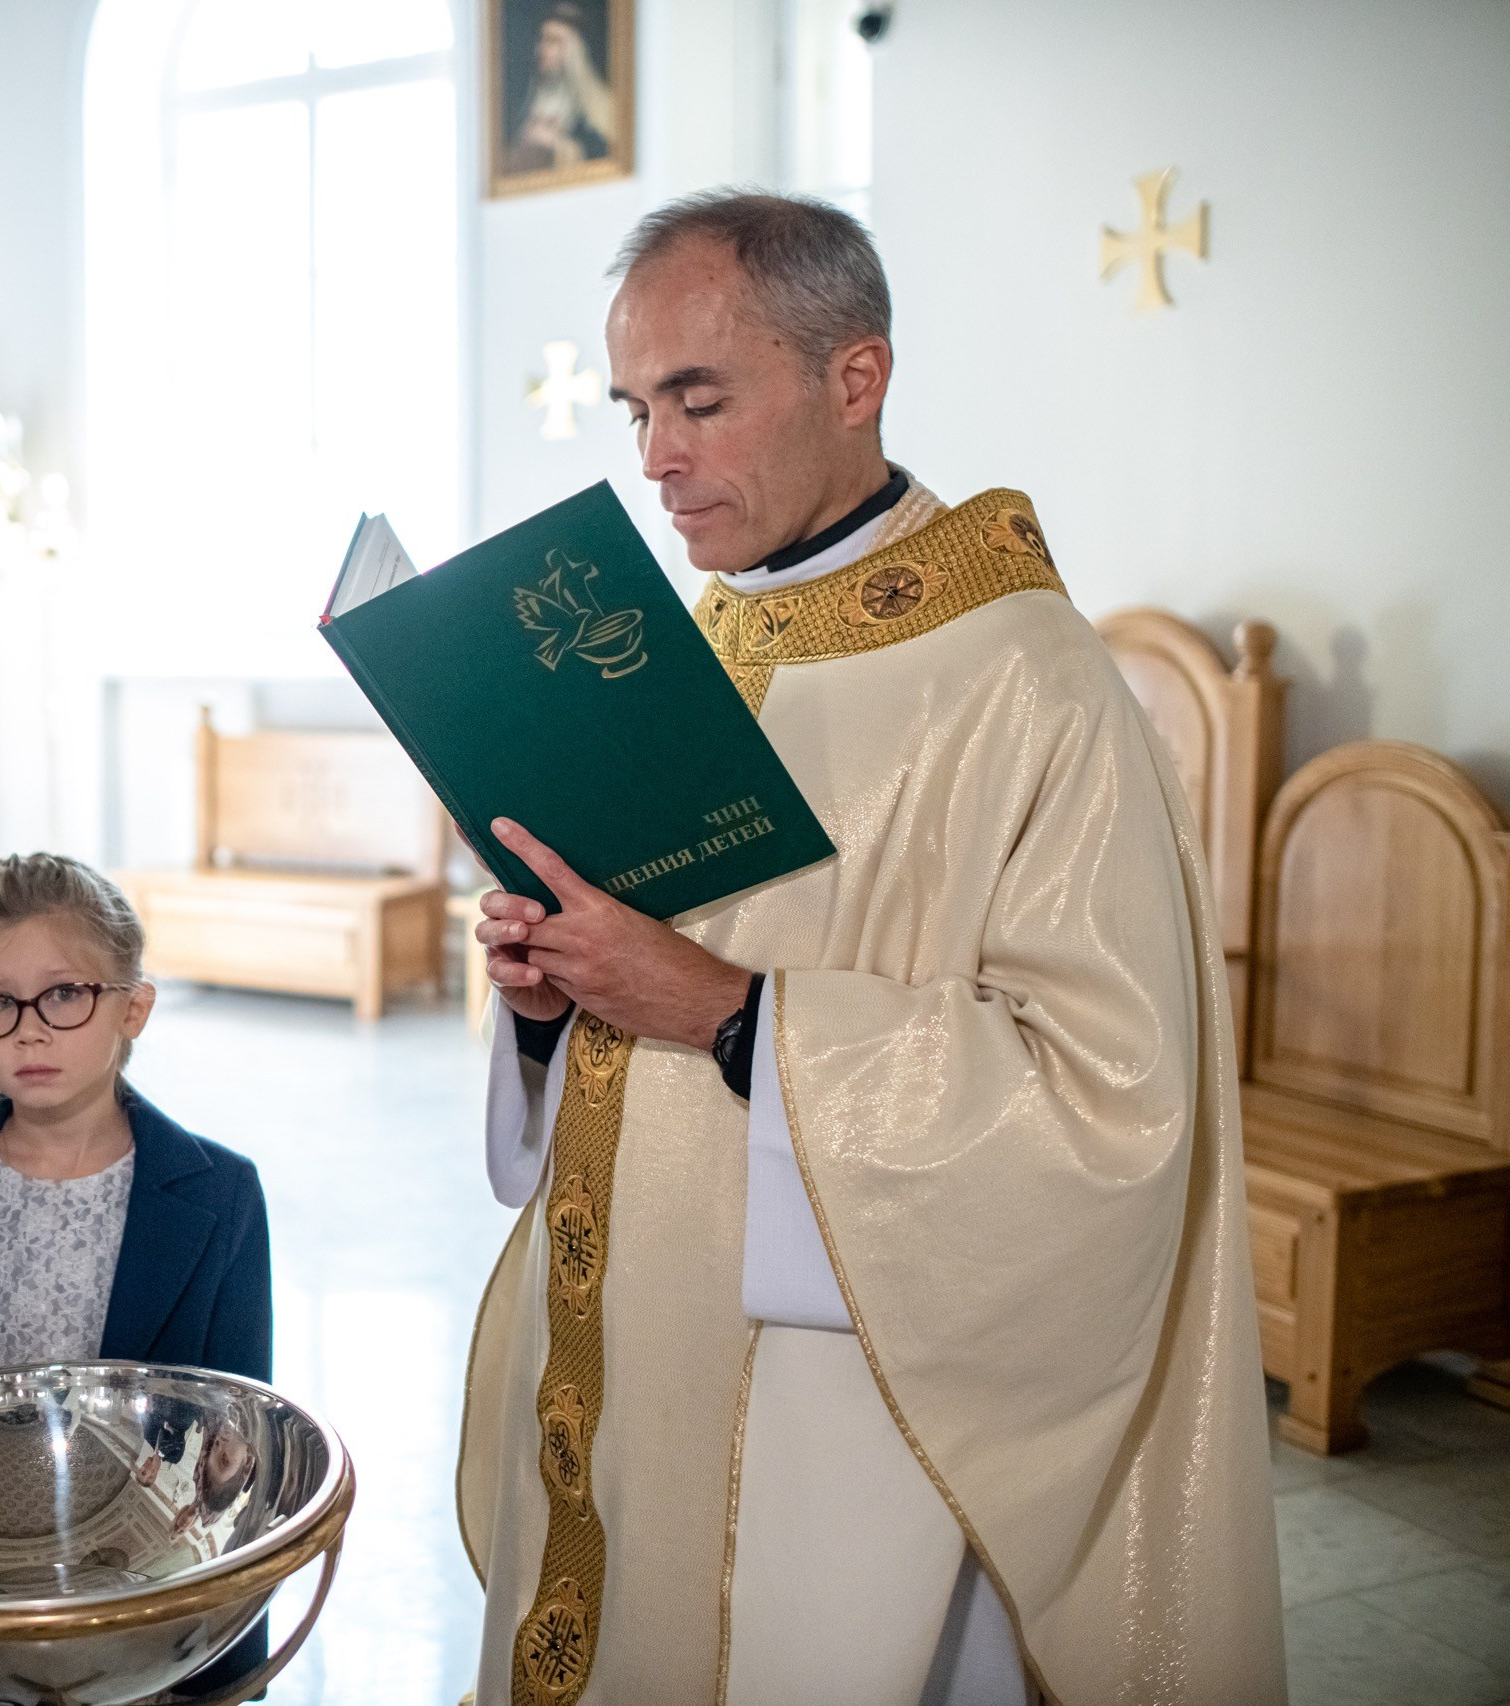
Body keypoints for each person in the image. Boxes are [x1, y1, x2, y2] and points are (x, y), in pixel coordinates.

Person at [456, 194, 1285, 1704]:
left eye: (699, 400)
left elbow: (1110, 1108)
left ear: (857, 377)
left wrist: (726, 1013)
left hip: (852, 1403)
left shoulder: (1031, 682)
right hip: (633, 1334)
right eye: (636, 407)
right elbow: (636, 959)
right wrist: (549, 993)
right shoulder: (690, 637)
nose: (655, 460)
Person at [0, 852, 271, 1700]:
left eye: (65, 994)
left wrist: (224, 1666)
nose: (30, 1029)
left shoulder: (218, 1195)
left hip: (130, 1594)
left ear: (133, 1008)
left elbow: (237, 1452)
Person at [508, 3, 616, 174]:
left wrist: (559, 146)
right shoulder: (524, 106)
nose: (541, 50)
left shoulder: (595, 111)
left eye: (552, 41)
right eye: (541, 40)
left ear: (574, 49)